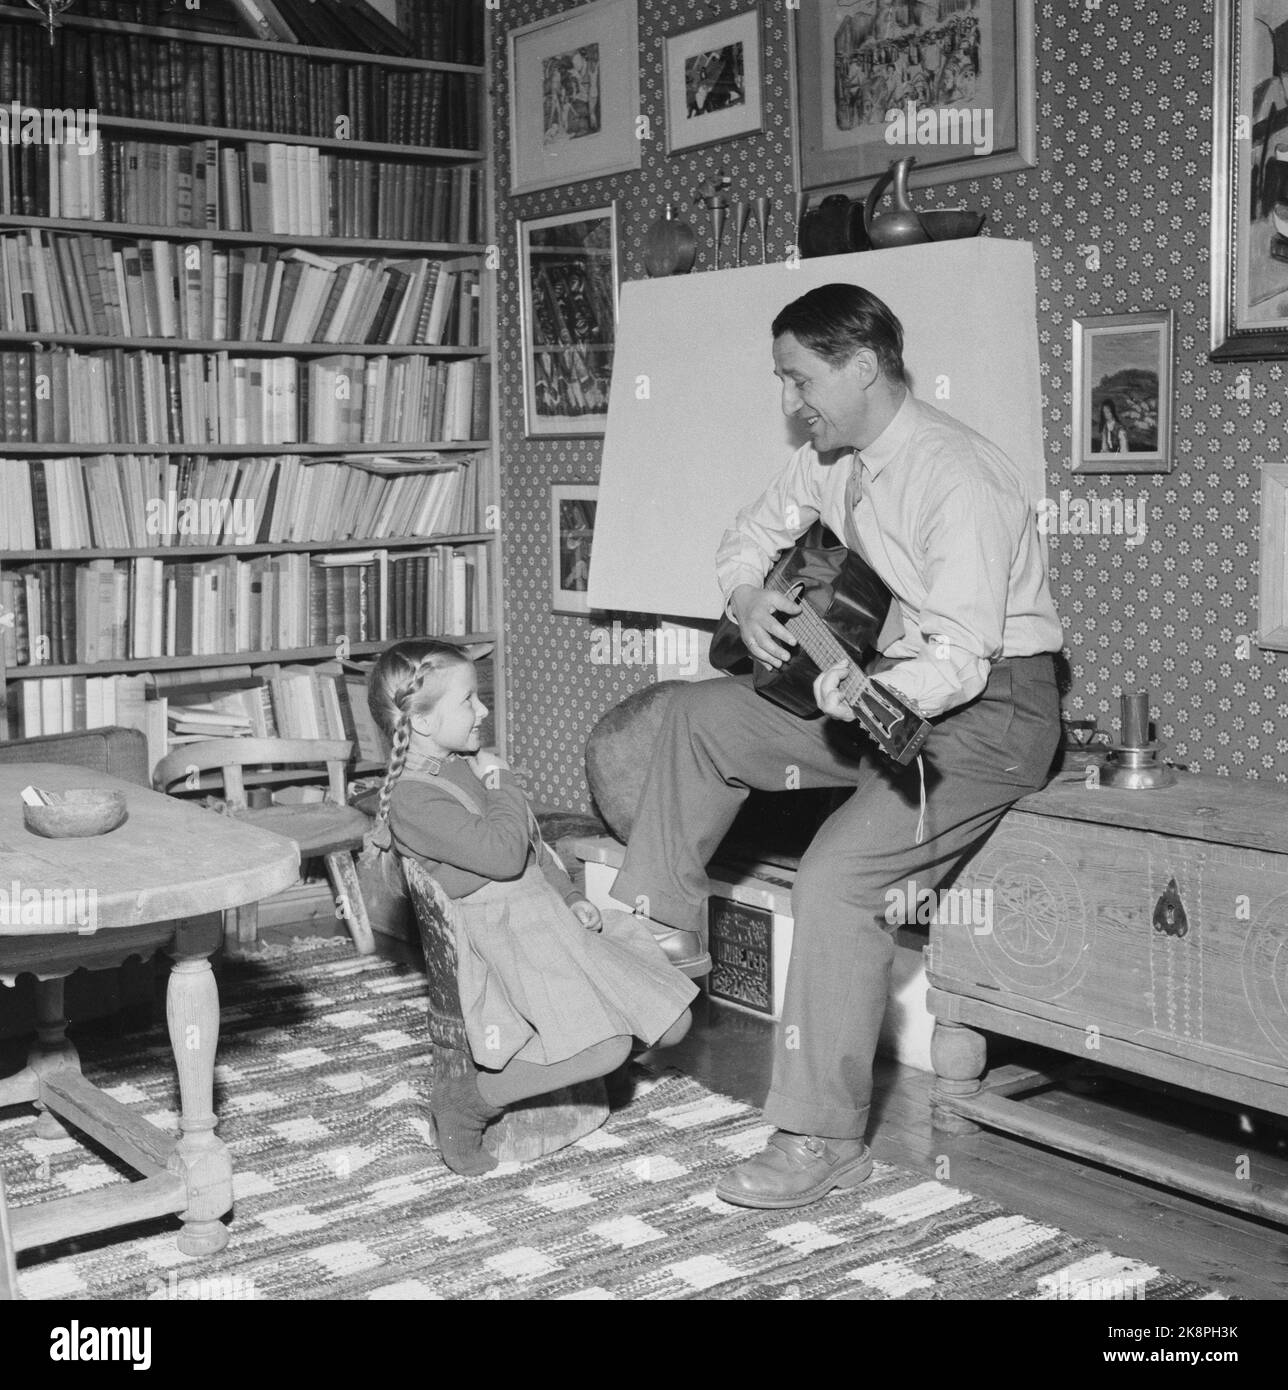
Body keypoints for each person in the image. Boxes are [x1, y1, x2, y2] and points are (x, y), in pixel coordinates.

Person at [611, 284, 1063, 1209]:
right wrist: (747, 598)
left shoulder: (960, 476)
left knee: (839, 880)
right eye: (784, 380)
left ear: (862, 368)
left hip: (990, 711)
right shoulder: (834, 459)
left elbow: (963, 658)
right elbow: (747, 535)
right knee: (700, 716)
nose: (791, 403)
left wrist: (871, 693)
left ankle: (821, 1137)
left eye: (799, 379)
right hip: (879, 687)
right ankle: (659, 934)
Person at [365, 639, 697, 1176]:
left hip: (547, 919)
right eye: (469, 700)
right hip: (505, 939)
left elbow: (530, 847)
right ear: (421, 722)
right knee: (605, 1047)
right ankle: (465, 1101)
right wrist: (502, 782)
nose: (484, 711)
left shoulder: (463, 763)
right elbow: (500, 854)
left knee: (675, 1019)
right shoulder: (412, 798)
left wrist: (570, 897)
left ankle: (573, 1061)